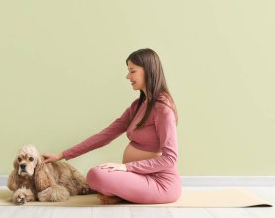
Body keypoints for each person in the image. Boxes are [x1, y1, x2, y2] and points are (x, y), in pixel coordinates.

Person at [42, 48, 181, 204]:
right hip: (138, 176)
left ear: (148, 71)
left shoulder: (163, 108)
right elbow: (105, 136)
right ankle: (122, 194)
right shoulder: (138, 105)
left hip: (161, 183)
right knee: (97, 174)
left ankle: (121, 194)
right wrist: (61, 155)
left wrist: (127, 168)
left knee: (96, 175)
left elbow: (170, 159)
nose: (128, 76)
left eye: (132, 71)